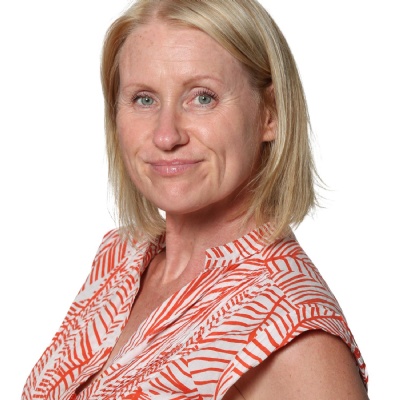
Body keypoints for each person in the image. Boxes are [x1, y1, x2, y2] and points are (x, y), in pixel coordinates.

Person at [22, 0, 369, 399]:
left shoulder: (295, 332)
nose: (166, 136)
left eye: (202, 98)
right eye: (144, 99)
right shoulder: (119, 259)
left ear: (270, 114)